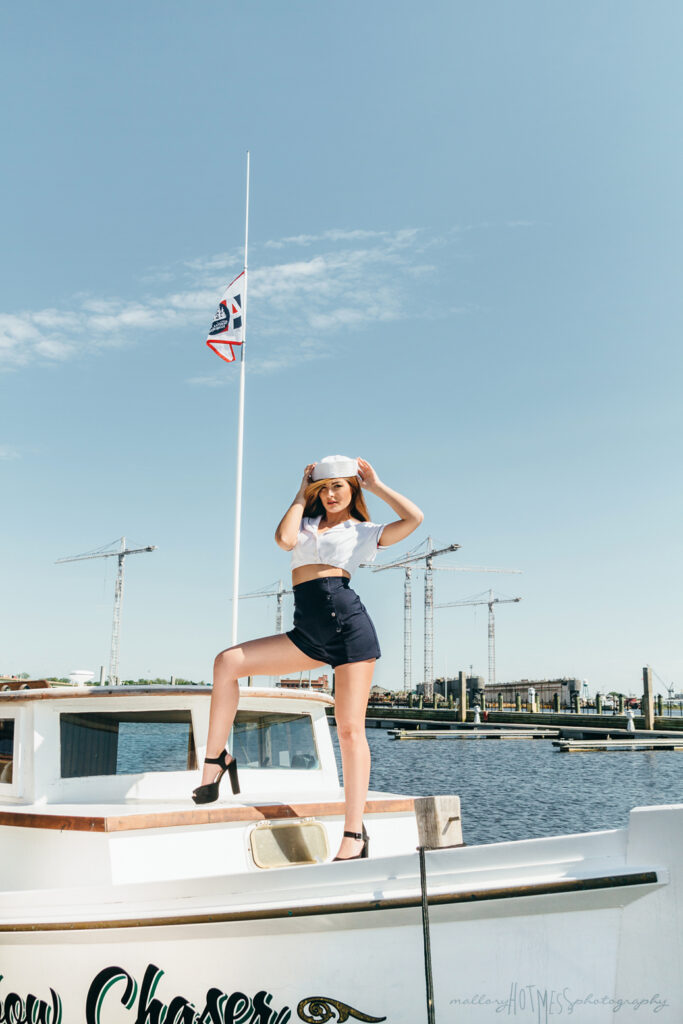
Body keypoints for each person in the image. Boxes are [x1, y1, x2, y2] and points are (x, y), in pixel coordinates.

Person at [192, 455, 423, 861]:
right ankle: (216, 760)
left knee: (350, 731)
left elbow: (414, 518)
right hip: (307, 633)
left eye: (338, 486)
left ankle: (354, 834)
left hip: (350, 630)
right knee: (227, 663)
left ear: (352, 489)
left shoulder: (362, 532)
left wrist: (376, 485)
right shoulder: (304, 525)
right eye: (324, 488)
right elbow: (283, 539)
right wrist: (301, 493)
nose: (331, 494)